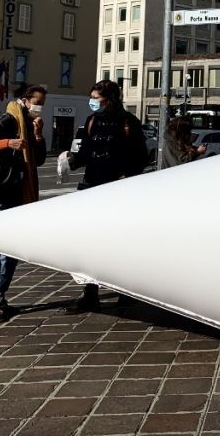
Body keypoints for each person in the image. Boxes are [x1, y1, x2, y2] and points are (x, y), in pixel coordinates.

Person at [60, 79, 147, 313]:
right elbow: (83, 152)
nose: (93, 103)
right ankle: (90, 294)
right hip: (92, 187)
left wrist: (125, 176)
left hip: (118, 191)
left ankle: (124, 290)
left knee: (117, 243)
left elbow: (141, 157)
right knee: (89, 244)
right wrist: (69, 162)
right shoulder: (91, 122)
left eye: (97, 99)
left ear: (110, 99)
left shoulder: (128, 122)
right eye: (92, 98)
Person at [0, 84, 47, 321]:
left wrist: (37, 136)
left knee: (11, 251)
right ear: (25, 100)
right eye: (37, 101)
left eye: (43, 102)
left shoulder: (29, 124)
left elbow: (39, 160)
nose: (40, 106)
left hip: (16, 193)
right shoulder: (9, 119)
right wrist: (7, 143)